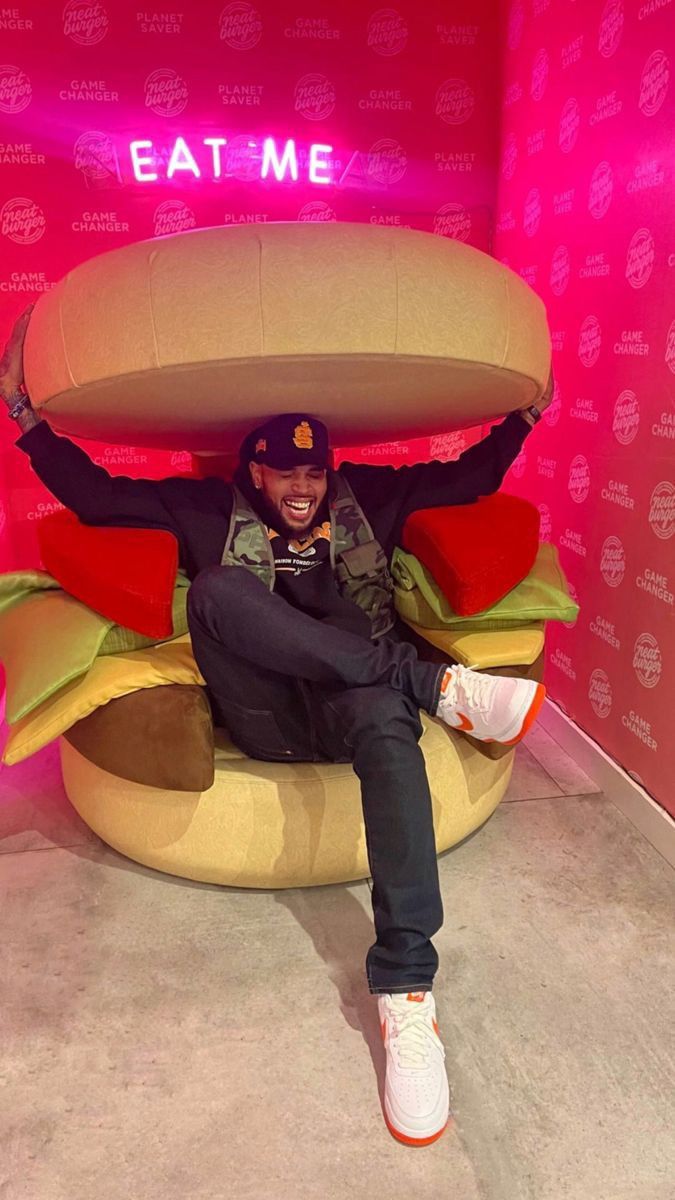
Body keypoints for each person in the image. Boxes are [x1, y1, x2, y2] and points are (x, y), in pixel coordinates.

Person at [1, 304, 553, 1147]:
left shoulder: (367, 497)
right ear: (256, 473)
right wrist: (26, 422)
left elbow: (463, 480)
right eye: (283, 474)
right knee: (222, 592)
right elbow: (98, 496)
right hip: (263, 713)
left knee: (381, 715)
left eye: (314, 474)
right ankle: (427, 684)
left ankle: (406, 991)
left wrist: (524, 419)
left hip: (354, 709)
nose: (302, 489)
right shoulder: (202, 512)